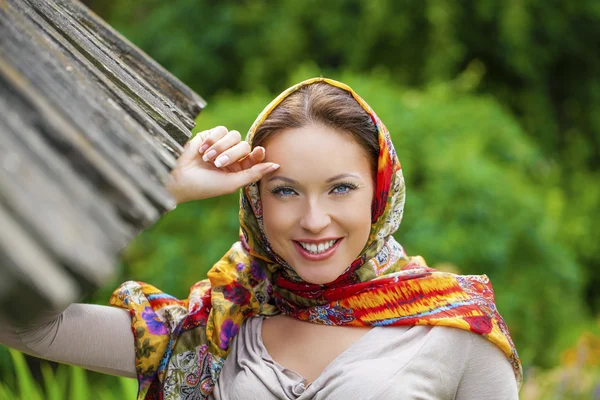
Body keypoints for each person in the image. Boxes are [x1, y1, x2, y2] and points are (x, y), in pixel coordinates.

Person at [0, 78, 522, 400]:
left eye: (340, 188)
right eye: (286, 191)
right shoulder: (214, 328)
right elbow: (23, 323)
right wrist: (160, 192)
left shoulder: (455, 330)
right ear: (256, 200)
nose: (314, 220)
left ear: (379, 194)